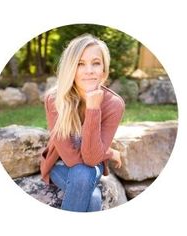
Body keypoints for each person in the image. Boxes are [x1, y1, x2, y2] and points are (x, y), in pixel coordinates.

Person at [40, 33, 125, 212]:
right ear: (71, 68)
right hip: (60, 165)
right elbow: (71, 159)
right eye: (80, 64)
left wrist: (93, 108)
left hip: (92, 166)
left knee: (84, 172)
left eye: (96, 63)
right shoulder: (55, 99)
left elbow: (91, 159)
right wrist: (108, 153)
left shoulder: (113, 104)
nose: (89, 71)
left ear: (104, 69)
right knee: (92, 197)